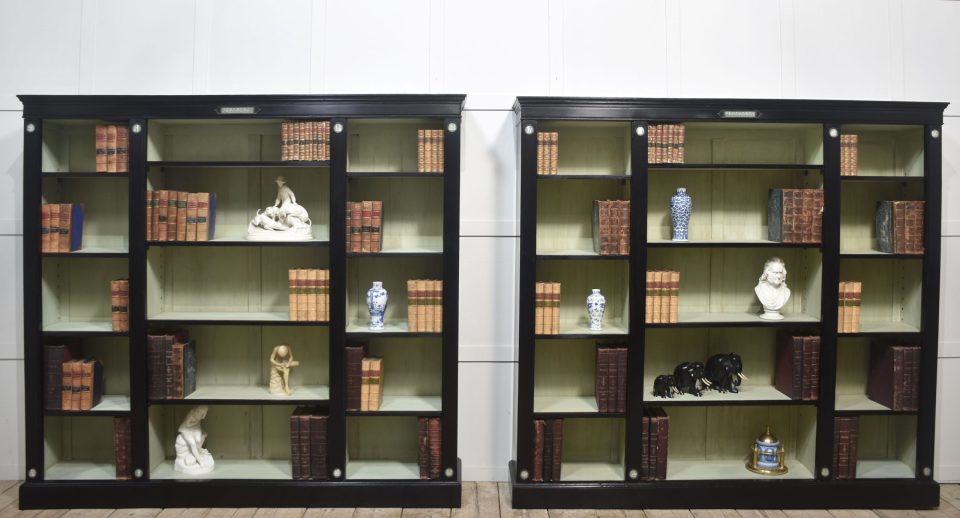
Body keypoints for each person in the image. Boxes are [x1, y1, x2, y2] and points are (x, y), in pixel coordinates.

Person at [174, 405, 215, 474]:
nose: (204, 416)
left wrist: (197, 427)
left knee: (199, 439)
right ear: (198, 411)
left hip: (194, 427)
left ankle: (197, 451)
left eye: (205, 413)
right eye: (202, 414)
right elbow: (187, 424)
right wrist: (196, 422)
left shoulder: (199, 415)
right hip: (185, 429)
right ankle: (199, 460)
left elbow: (199, 423)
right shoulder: (192, 413)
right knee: (192, 443)